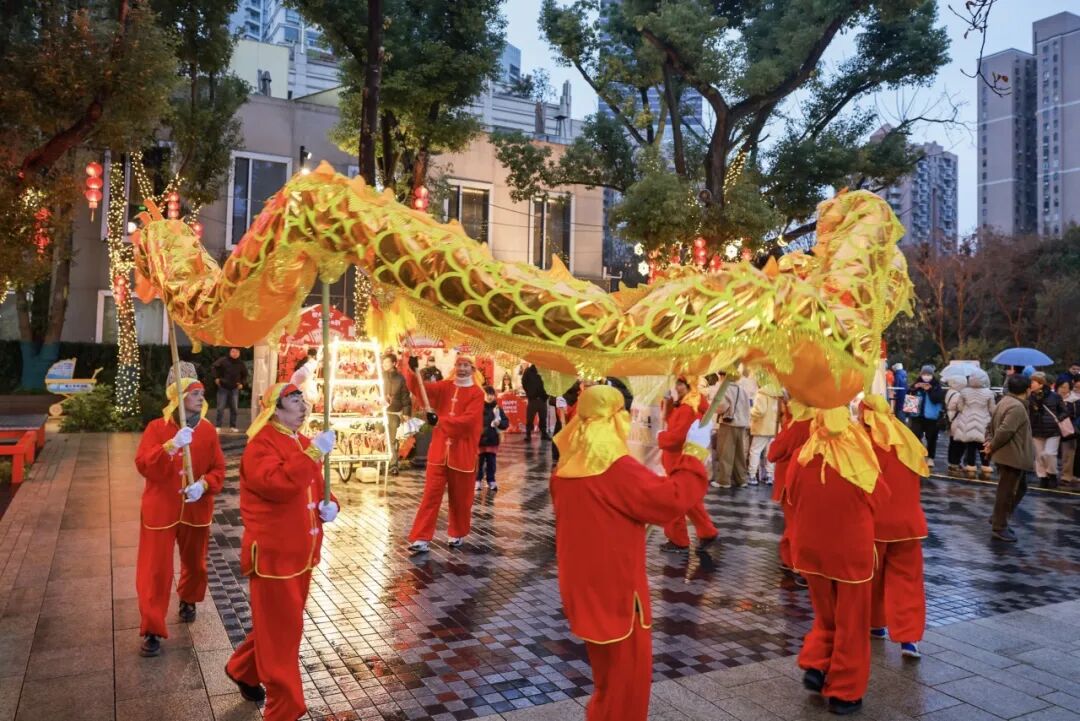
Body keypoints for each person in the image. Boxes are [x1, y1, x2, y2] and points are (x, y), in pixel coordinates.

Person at [549, 384, 712, 721]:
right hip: (619, 592)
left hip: (583, 589)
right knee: (628, 682)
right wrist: (694, 455)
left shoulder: (564, 469)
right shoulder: (617, 469)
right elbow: (672, 499)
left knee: (607, 679)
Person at [224, 383, 339, 720]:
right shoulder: (260, 445)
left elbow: (315, 487)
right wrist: (313, 454)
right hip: (274, 556)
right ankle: (284, 709)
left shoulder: (301, 442)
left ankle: (244, 669)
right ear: (274, 409)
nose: (303, 407)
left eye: (303, 400)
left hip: (301, 554)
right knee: (283, 634)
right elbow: (277, 485)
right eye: (294, 401)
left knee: (280, 626)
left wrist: (330, 505)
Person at [790, 407, 885, 716]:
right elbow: (880, 499)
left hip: (811, 550)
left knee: (826, 613)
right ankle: (845, 691)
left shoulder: (803, 455)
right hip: (850, 553)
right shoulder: (859, 459)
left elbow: (790, 495)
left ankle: (817, 663)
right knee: (852, 622)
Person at [134, 377, 225, 657]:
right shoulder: (156, 428)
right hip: (161, 508)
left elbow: (218, 469)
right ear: (178, 398)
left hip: (196, 507)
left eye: (202, 393)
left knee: (196, 563)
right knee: (155, 569)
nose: (200, 397)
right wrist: (170, 446)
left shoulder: (208, 431)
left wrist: (204, 484)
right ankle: (152, 627)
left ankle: (189, 597)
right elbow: (143, 464)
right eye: (194, 393)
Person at [859, 394, 928, 660]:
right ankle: (909, 639)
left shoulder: (864, 443)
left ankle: (875, 624)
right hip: (909, 525)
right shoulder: (906, 439)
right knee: (907, 581)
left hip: (875, 525)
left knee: (871, 578)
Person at [404, 353, 485, 553]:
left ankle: (457, 532)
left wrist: (440, 421)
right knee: (430, 496)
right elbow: (422, 390)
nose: (462, 369)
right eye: (459, 365)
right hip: (439, 452)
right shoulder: (445, 387)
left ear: (473, 369)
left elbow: (469, 422)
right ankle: (421, 537)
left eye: (466, 365)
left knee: (461, 499)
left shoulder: (477, 393)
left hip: (462, 454)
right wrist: (412, 371)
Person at [658, 376, 719, 554]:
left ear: (688, 386)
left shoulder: (687, 408)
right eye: (676, 383)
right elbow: (672, 421)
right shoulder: (687, 405)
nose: (677, 387)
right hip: (680, 459)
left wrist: (661, 437)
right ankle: (707, 532)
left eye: (680, 384)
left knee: (675, 501)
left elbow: (678, 437)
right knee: (690, 501)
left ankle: (678, 539)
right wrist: (668, 403)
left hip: (678, 459)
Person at [984, 374, 1035, 542]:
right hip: (1011, 456)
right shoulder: (1016, 406)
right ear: (1027, 390)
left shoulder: (1005, 401)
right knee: (1006, 492)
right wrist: (991, 445)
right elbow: (1005, 430)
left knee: (1020, 488)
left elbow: (990, 425)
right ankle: (999, 525)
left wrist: (989, 442)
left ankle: (999, 517)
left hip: (1010, 455)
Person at [767, 400, 813, 579]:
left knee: (794, 523)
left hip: (790, 481)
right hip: (809, 482)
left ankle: (797, 563)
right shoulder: (816, 423)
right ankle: (788, 557)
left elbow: (773, 454)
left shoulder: (795, 426)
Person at [954, 369, 996, 480]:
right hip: (984, 422)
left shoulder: (964, 391)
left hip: (967, 420)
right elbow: (992, 409)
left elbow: (960, 407)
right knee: (983, 445)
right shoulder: (989, 393)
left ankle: (971, 466)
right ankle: (985, 466)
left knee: (970, 446)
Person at [712, 371, 751, 489]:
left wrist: (714, 408)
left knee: (726, 452)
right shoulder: (742, 389)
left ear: (724, 376)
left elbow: (721, 407)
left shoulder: (725, 389)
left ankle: (723, 481)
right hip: (741, 424)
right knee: (739, 454)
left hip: (728, 423)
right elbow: (747, 407)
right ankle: (741, 479)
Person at [1028, 371, 1066, 489]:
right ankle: (1043, 477)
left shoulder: (1055, 396)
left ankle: (1052, 474)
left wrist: (1058, 419)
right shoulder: (1030, 397)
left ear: (1041, 384)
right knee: (1039, 456)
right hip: (1036, 429)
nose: (1031, 384)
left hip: (1053, 430)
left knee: (1049, 454)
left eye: (1033, 382)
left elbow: (1064, 411)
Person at [906, 365, 945, 467]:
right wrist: (914, 388)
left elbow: (937, 399)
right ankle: (918, 454)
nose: (926, 376)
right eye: (924, 374)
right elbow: (908, 395)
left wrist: (929, 390)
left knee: (931, 438)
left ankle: (930, 457)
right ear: (921, 374)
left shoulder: (936, 386)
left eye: (929, 374)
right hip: (916, 415)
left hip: (932, 417)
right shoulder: (916, 383)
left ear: (932, 375)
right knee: (915, 435)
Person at [382, 353, 411, 476]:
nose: (384, 364)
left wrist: (406, 412)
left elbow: (405, 397)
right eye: (383, 362)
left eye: (387, 362)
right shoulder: (380, 376)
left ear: (394, 363)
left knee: (392, 439)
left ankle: (393, 465)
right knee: (379, 437)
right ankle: (380, 462)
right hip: (380, 412)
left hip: (394, 412)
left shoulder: (400, 379)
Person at [476, 385, 510, 492]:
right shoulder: (477, 408)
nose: (489, 397)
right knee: (478, 463)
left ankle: (491, 480)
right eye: (487, 394)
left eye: (491, 394)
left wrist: (499, 423)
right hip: (479, 441)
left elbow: (505, 423)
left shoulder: (497, 409)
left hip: (492, 440)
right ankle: (477, 480)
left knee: (491, 462)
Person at [748, 384, 783, 485]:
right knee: (770, 452)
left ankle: (752, 476)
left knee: (755, 451)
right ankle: (769, 475)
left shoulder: (762, 393)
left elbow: (760, 411)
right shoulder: (779, 393)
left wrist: (749, 411)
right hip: (774, 428)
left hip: (762, 427)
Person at [212, 348, 248, 432]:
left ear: (239, 353)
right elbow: (214, 367)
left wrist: (242, 383)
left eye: (237, 352)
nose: (235, 353)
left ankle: (233, 426)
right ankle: (218, 426)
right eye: (233, 351)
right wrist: (216, 378)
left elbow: (245, 375)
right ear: (230, 352)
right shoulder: (223, 360)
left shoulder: (241, 363)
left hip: (234, 388)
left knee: (234, 408)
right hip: (223, 387)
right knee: (220, 408)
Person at [943, 374, 967, 476]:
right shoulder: (957, 394)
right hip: (957, 420)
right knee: (958, 444)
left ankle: (952, 463)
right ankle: (955, 463)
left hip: (951, 418)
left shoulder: (949, 391)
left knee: (952, 443)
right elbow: (959, 407)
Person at [521, 363, 550, 441]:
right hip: (532, 399)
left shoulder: (545, 371)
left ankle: (544, 434)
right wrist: (529, 393)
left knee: (543, 417)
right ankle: (528, 434)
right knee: (530, 418)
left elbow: (549, 383)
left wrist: (546, 395)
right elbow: (524, 382)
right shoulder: (528, 371)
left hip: (542, 398)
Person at [1060, 380, 1080, 486]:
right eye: (1061, 387)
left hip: (1068, 428)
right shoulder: (1053, 398)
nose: (1062, 390)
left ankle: (1066, 476)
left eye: (1065, 387)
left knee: (1068, 453)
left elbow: (1075, 415)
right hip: (1052, 428)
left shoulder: (1074, 400)